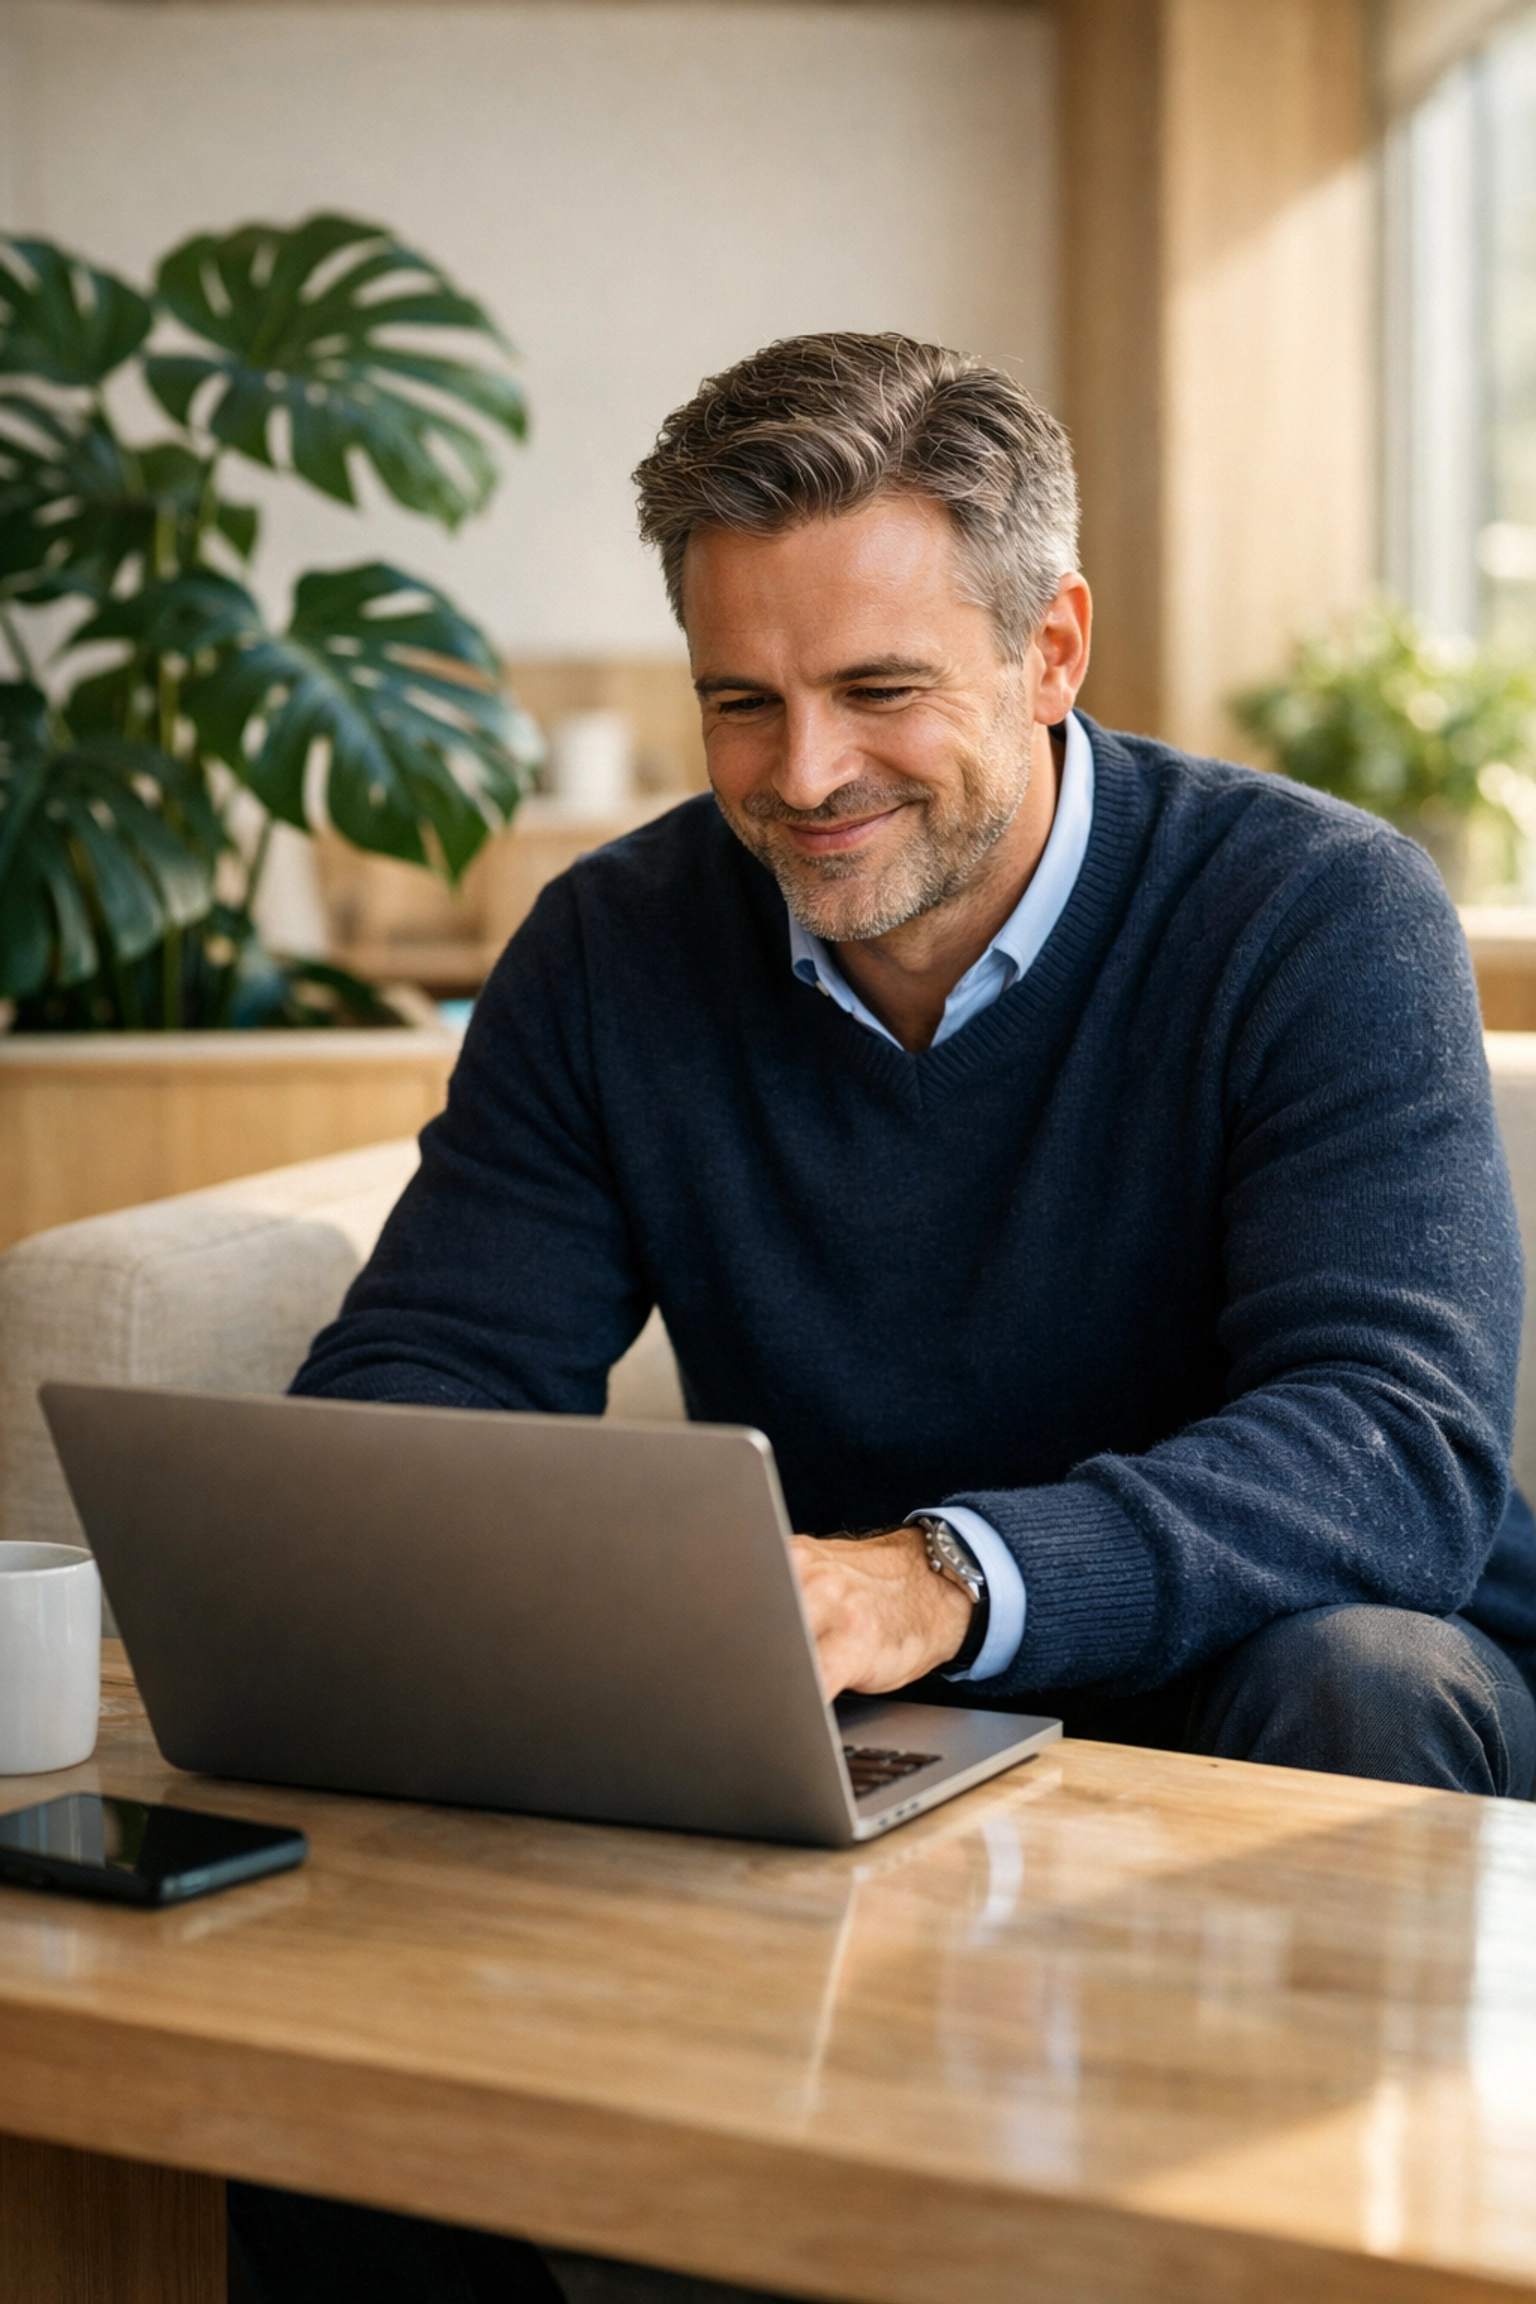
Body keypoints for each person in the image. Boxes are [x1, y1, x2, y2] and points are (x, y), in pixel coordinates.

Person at [230, 332, 1536, 2304]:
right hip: (857, 1721)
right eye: (739, 703)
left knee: (1354, 1670)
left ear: (1054, 650)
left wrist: (939, 1576)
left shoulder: (1317, 912)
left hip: (1263, 1686)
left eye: (878, 691)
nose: (804, 774)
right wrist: (482, 1588)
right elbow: (429, 1375)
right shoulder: (616, 945)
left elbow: (1395, 1442)